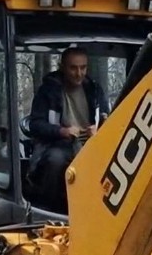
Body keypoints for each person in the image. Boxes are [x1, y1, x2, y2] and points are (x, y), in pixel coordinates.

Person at [27, 47, 110, 212]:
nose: (79, 73)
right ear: (62, 67)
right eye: (73, 68)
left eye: (83, 68)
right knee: (55, 160)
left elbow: (109, 119)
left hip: (91, 145)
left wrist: (99, 131)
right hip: (57, 144)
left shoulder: (95, 90)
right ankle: (46, 210)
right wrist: (61, 131)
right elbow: (35, 124)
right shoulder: (48, 91)